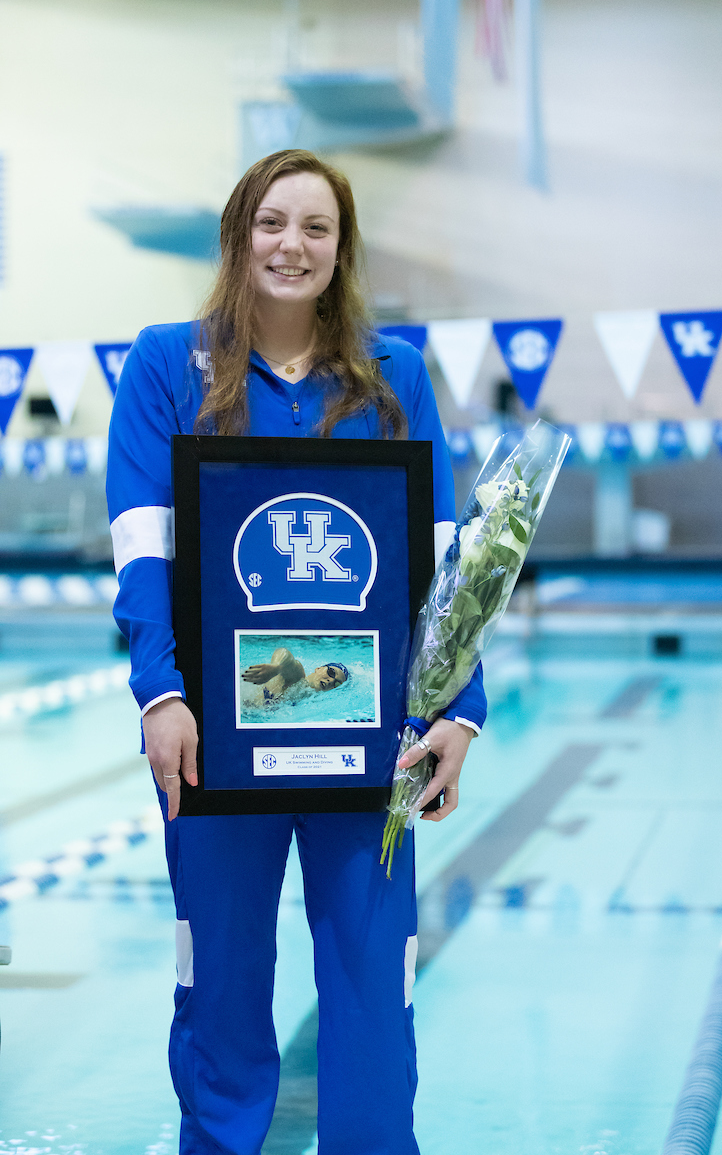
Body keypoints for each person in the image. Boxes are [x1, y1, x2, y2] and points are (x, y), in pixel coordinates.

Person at [106, 148, 487, 1155]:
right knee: (219, 989)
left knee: (373, 991)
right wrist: (160, 696)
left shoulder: (393, 375)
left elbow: (440, 558)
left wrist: (456, 709)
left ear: (341, 249)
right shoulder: (165, 364)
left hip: (370, 741)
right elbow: (142, 545)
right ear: (239, 234)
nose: (292, 245)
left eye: (317, 227)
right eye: (272, 222)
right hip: (214, 738)